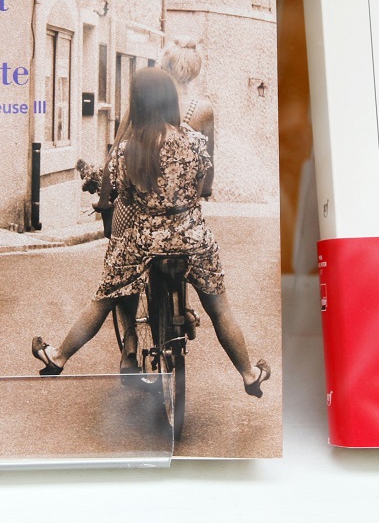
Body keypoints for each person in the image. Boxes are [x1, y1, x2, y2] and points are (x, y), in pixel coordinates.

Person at [31, 67, 270, 398]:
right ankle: (248, 374)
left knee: (103, 299)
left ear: (138, 102)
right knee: (220, 309)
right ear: (170, 99)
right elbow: (203, 188)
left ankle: (57, 357)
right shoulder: (195, 141)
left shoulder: (128, 149)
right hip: (193, 238)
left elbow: (123, 196)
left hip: (143, 240)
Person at [161, 39, 213, 197]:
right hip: (183, 201)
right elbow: (208, 162)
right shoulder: (203, 110)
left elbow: (117, 152)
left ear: (165, 67)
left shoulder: (146, 102)